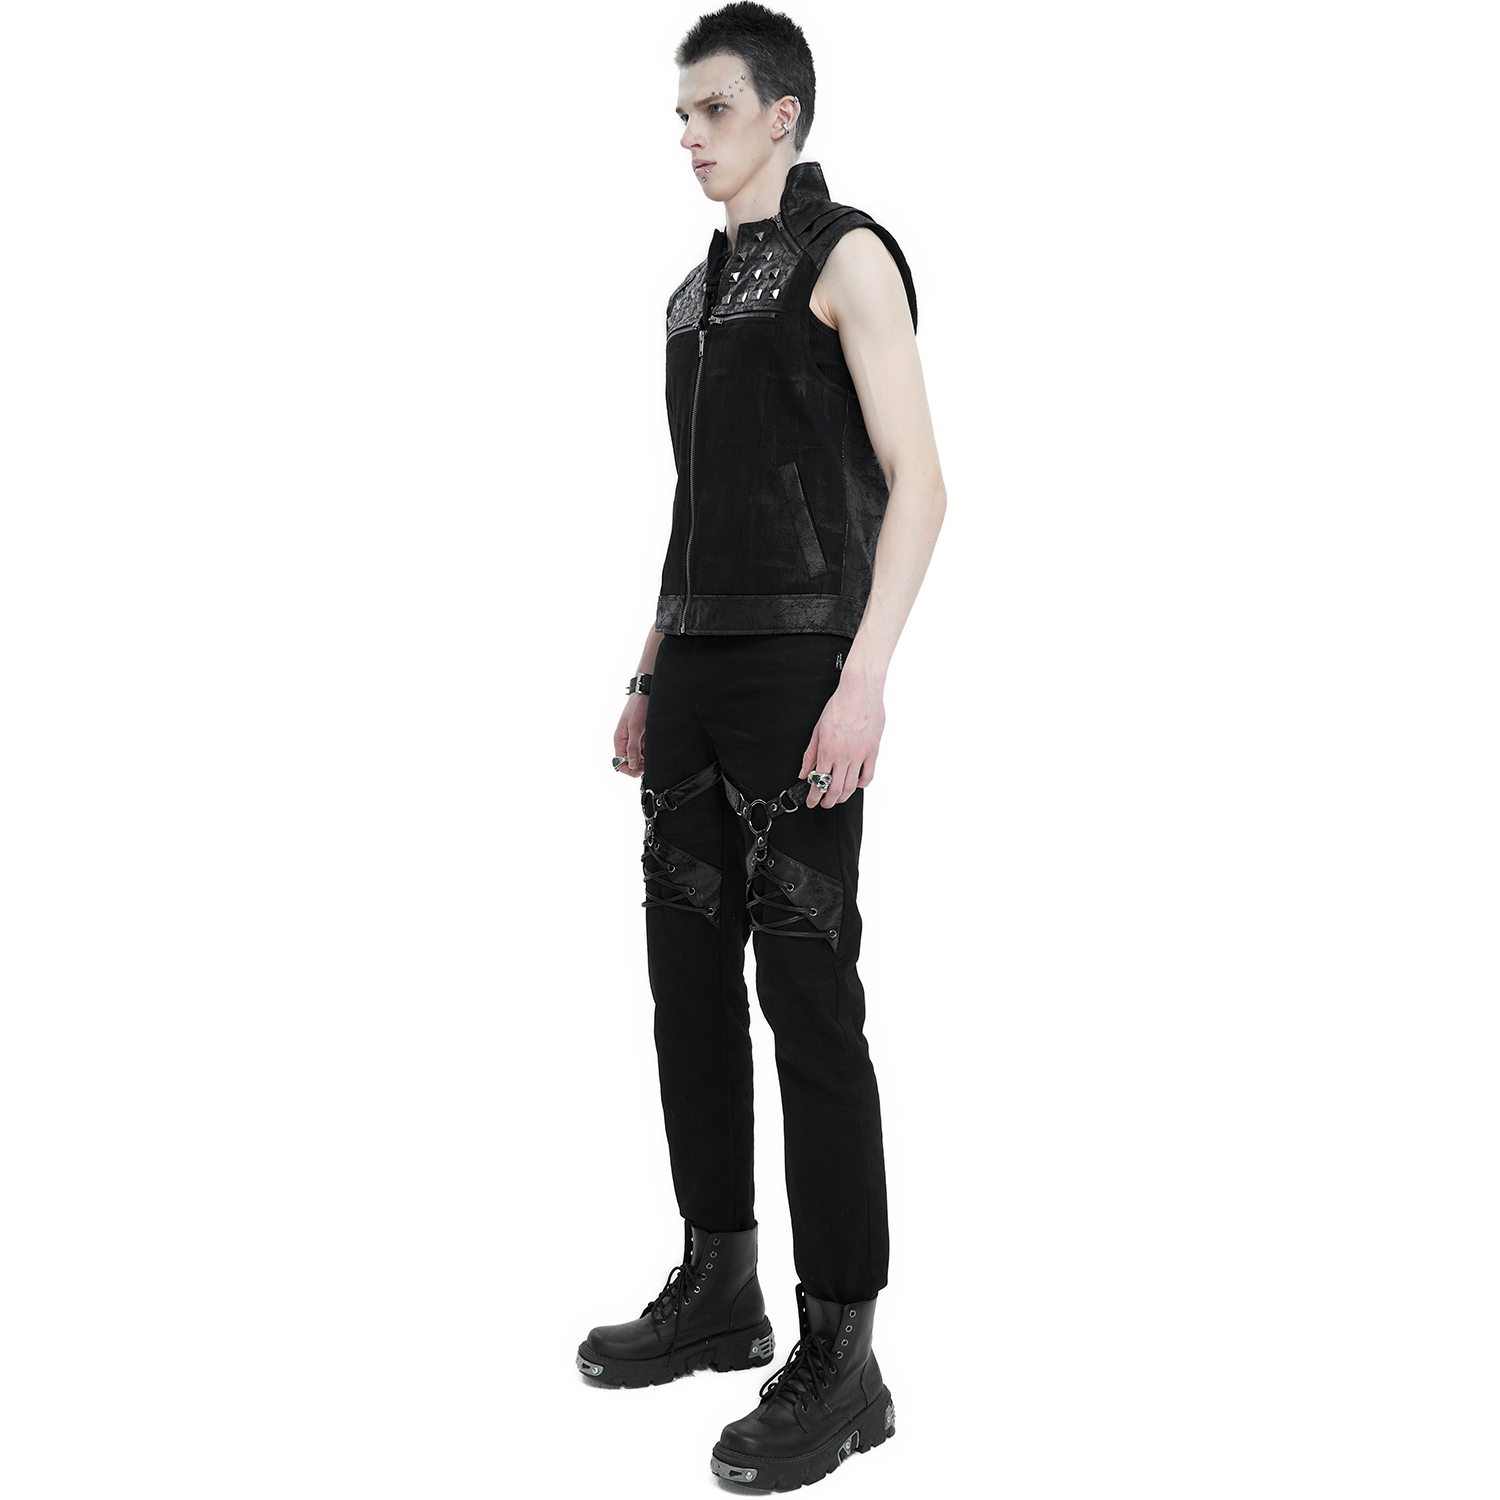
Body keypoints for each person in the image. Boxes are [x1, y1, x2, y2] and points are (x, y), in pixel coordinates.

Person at [576, 3, 946, 1488]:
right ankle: (718, 1285)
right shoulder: (689, 298)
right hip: (696, 672)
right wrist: (647, 667)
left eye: (713, 110)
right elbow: (693, 507)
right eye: (681, 114)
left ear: (782, 114)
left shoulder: (847, 255)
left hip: (804, 669)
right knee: (685, 991)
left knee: (808, 998)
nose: (689, 136)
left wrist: (864, 681)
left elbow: (921, 482)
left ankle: (844, 1355)